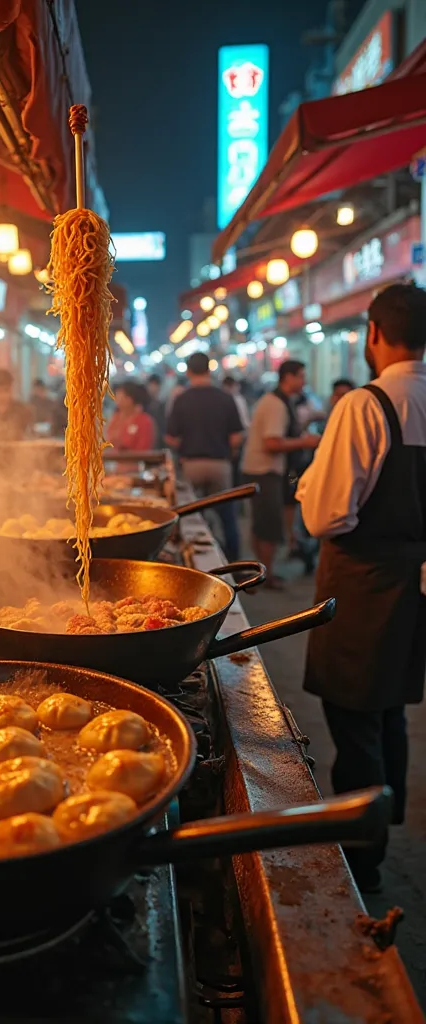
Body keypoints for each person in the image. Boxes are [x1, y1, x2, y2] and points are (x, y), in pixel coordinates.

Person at [297, 283, 426, 893]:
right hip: (413, 582)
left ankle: (361, 851)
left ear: (373, 333)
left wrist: (306, 489)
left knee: (353, 715)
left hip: (364, 583)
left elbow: (327, 516)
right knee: (390, 707)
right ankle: (383, 816)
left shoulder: (366, 404)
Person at [241, 360, 319, 587]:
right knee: (269, 525)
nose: (304, 381)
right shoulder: (276, 404)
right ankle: (266, 576)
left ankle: (262, 571)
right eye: (301, 376)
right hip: (265, 472)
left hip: (268, 472)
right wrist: (306, 442)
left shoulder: (282, 401)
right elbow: (272, 442)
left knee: (262, 523)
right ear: (288, 378)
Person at [165, 353, 244, 560]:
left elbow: (171, 437)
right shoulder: (226, 398)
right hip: (220, 464)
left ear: (189, 371)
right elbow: (237, 437)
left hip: (192, 464)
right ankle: (233, 562)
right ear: (209, 369)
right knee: (227, 516)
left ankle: (193, 560)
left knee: (192, 517)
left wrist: (186, 443)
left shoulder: (181, 399)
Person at [106, 380, 156, 452]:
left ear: (130, 399)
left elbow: (143, 447)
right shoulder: (116, 417)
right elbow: (109, 438)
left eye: (120, 396)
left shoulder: (144, 420)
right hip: (115, 461)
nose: (116, 400)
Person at [145, 373, 166, 445]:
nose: (154, 387)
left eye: (156, 385)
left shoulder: (161, 405)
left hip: (158, 439)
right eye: (152, 385)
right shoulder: (143, 404)